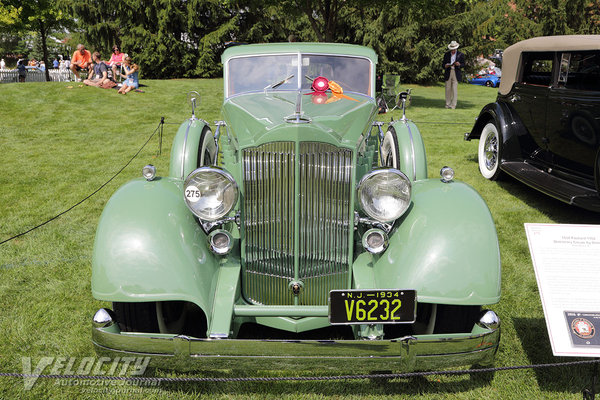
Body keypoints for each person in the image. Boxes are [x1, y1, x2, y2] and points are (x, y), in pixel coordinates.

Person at [442, 40, 465, 109]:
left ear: (456, 48)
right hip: (448, 72)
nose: (453, 51)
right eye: (452, 49)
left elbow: (463, 64)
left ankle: (453, 105)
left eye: (454, 49)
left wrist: (459, 64)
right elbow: (443, 64)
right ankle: (447, 104)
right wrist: (445, 66)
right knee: (448, 89)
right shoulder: (446, 54)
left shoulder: (460, 54)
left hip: (456, 72)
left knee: (454, 89)